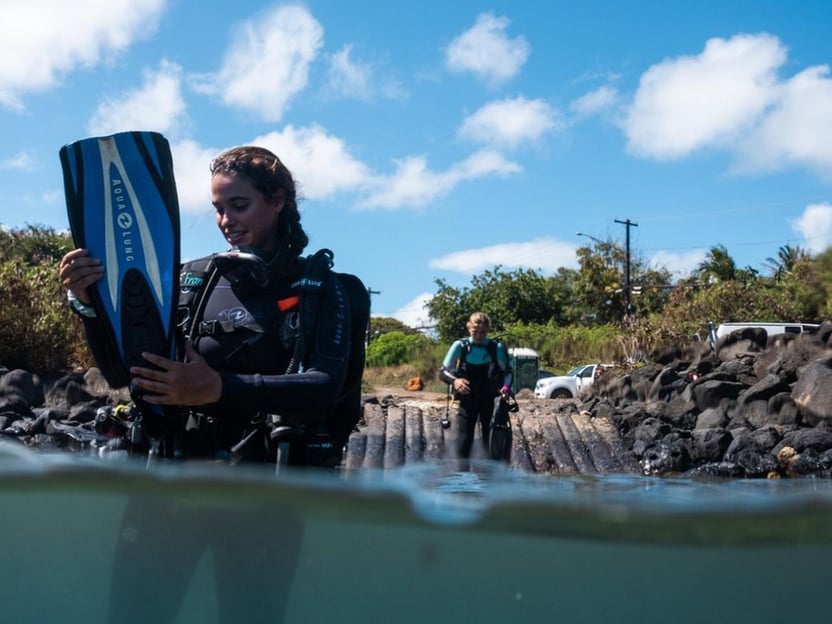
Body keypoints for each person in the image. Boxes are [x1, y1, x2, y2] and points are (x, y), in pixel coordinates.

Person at [58, 145, 363, 623]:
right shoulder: (187, 281)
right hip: (169, 488)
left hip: (265, 500)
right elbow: (124, 375)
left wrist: (216, 388)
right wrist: (88, 304)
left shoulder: (329, 289)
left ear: (277, 201)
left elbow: (325, 387)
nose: (226, 221)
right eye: (218, 208)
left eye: (238, 206)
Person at [438, 312, 512, 464]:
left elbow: (508, 373)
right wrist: (455, 381)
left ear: (488, 331)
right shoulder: (460, 346)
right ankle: (463, 481)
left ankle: (491, 482)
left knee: (490, 442)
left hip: (489, 401)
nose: (478, 335)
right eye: (475, 331)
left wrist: (505, 388)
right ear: (468, 328)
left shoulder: (495, 348)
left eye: (483, 332)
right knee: (463, 441)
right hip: (467, 400)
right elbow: (443, 372)